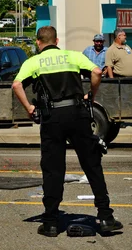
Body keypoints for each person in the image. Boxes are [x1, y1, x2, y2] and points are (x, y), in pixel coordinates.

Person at [11, 26, 122, 237]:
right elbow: (97, 72)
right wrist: (91, 94)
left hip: (52, 118)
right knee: (91, 163)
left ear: (38, 42)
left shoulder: (33, 62)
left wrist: (29, 108)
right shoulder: (72, 56)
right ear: (57, 40)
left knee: (53, 168)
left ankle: (51, 222)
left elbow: (16, 85)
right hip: (78, 113)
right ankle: (106, 217)